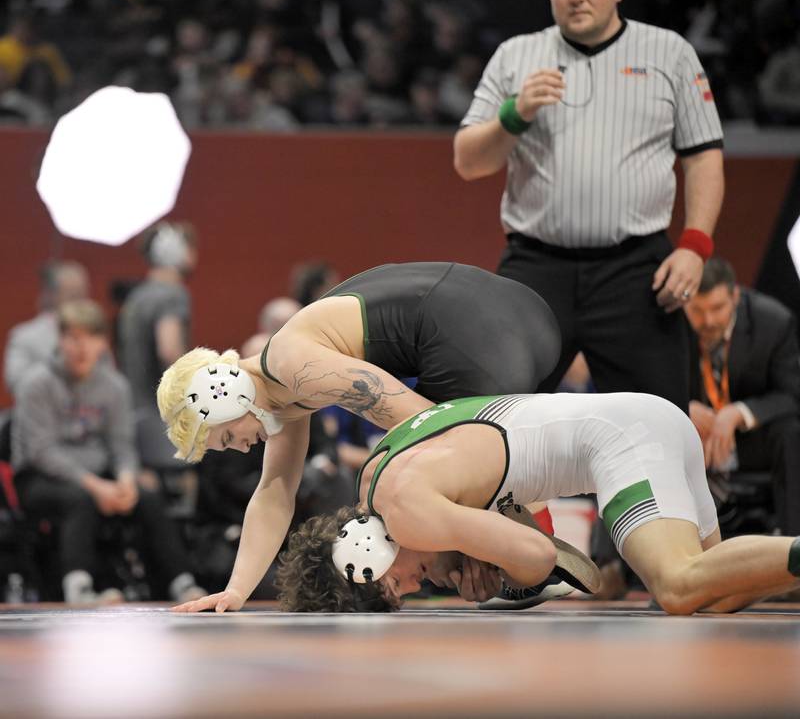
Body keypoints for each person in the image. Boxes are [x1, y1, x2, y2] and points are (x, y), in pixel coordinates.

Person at [161, 261, 561, 611]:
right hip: (510, 321)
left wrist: (465, 543)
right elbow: (274, 492)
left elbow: (435, 427)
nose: (241, 447)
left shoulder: (294, 365)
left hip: (488, 329)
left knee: (393, 478)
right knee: (426, 481)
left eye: (228, 438)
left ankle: (539, 547)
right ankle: (530, 543)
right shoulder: (287, 392)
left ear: (225, 394)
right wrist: (235, 592)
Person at [453, 0, 725, 412]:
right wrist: (515, 113)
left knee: (658, 421)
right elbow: (468, 162)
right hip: (537, 267)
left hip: (636, 271)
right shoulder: (516, 55)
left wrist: (695, 247)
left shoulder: (669, 52)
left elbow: (703, 158)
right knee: (496, 414)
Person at [276, 392, 800, 614]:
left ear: (368, 550)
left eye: (395, 585)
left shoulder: (408, 514)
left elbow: (541, 557)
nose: (413, 588)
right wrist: (470, 550)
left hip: (623, 440)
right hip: (643, 418)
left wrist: (495, 568)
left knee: (678, 587)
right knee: (716, 594)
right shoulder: (379, 473)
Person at [10, 299, 205, 605]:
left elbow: (121, 445)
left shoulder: (114, 386)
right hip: (40, 479)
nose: (82, 347)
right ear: (60, 340)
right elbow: (41, 451)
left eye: (91, 337)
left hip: (100, 476)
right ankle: (79, 588)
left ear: (102, 343)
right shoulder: (36, 384)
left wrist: (126, 478)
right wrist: (95, 486)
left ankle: (181, 582)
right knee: (81, 499)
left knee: (147, 497)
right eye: (74, 338)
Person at [684, 257, 800, 536]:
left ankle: (793, 542)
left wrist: (739, 413)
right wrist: (680, 408)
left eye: (717, 308)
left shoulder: (773, 322)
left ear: (735, 297)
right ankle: (620, 554)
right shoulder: (667, 322)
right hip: (689, 436)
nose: (708, 320)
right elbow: (640, 385)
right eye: (697, 310)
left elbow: (791, 394)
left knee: (790, 430)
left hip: (748, 440)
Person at [117, 221, 197, 468]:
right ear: (174, 250)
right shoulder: (172, 294)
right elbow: (169, 350)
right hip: (163, 418)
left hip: (135, 412)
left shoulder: (136, 296)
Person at [3, 261, 89, 397]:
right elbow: (15, 383)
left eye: (82, 293)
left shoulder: (94, 335)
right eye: (72, 294)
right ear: (51, 294)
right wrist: (59, 363)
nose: (80, 301)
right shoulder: (24, 336)